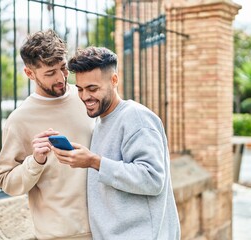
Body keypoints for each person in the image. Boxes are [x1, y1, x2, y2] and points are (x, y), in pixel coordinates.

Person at [52, 46, 181, 240]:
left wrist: (94, 162)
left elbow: (153, 179)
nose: (85, 96)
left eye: (93, 88)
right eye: (80, 89)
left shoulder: (136, 118)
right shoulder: (102, 121)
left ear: (114, 80)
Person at [0, 29, 95, 240]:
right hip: (59, 234)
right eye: (50, 73)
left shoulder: (86, 98)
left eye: (63, 68)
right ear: (29, 73)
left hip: (105, 226)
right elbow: (6, 182)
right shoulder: (19, 120)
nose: (61, 78)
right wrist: (35, 162)